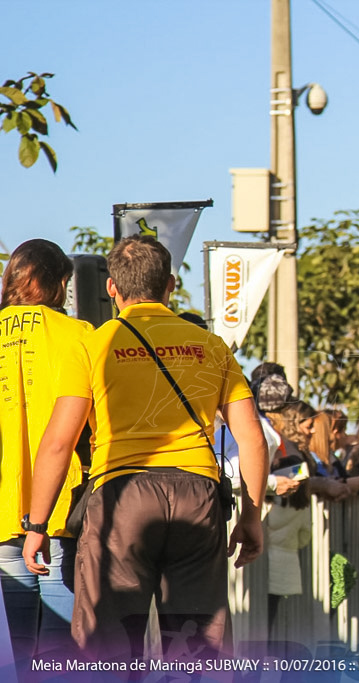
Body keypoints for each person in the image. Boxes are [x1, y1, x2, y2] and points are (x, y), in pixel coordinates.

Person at [22, 235, 268, 663]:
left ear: (112, 288)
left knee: (110, 648)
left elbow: (59, 441)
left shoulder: (93, 345)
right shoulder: (211, 347)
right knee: (196, 647)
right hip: (198, 497)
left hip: (122, 498)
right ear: (170, 285)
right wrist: (251, 517)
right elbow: (252, 439)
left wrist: (37, 524)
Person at [0, 240, 93, 672]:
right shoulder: (80, 335)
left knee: (15, 643)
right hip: (58, 504)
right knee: (59, 641)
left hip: (2, 509)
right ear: (60, 284)